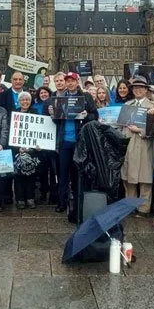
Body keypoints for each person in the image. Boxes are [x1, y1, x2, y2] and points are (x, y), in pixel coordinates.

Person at [50, 72, 99, 215]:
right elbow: (57, 121)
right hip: (64, 141)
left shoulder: (86, 97)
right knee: (63, 174)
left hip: (80, 142)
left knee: (78, 174)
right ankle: (62, 202)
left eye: (72, 81)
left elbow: (95, 115)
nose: (70, 83)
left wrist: (86, 115)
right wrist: (53, 114)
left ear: (77, 82)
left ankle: (78, 202)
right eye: (68, 81)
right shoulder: (61, 98)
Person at [122, 76, 154, 215]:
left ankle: (143, 209)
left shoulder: (153, 106)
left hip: (144, 144)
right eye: (135, 88)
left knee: (145, 178)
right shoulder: (128, 105)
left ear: (145, 90)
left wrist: (140, 131)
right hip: (130, 143)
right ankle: (129, 206)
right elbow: (122, 125)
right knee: (129, 178)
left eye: (141, 88)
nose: (138, 90)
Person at [13, 91, 44, 209]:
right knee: (18, 175)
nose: (25, 102)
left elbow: (40, 131)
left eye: (27, 100)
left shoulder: (35, 113)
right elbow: (12, 133)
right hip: (18, 150)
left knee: (31, 175)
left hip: (32, 150)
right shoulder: (14, 113)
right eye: (22, 100)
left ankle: (30, 198)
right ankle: (20, 199)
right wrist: (18, 148)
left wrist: (38, 145)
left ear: (30, 101)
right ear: (19, 101)